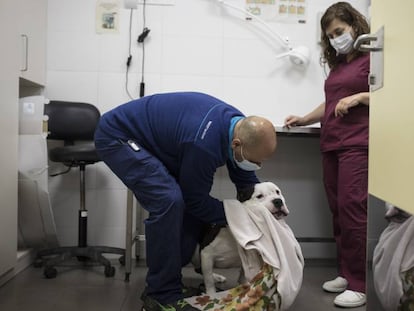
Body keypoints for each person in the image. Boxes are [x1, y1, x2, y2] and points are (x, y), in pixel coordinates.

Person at [94, 91, 277, 311]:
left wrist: (260, 209)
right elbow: (195, 201)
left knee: (188, 196)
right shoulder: (204, 144)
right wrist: (238, 215)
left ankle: (173, 278)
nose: (257, 165)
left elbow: (245, 181)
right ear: (236, 144)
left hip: (157, 141)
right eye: (254, 161)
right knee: (169, 200)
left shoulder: (238, 126)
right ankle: (160, 295)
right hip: (118, 136)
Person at [284, 2, 370, 308]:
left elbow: (393, 94)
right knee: (337, 212)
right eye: (330, 34)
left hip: (358, 143)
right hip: (331, 142)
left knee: (352, 210)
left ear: (355, 26)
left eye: (339, 31)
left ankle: (360, 284)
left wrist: (360, 96)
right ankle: (346, 274)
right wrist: (306, 118)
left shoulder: (373, 59)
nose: (335, 38)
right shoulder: (339, 66)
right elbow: (332, 101)